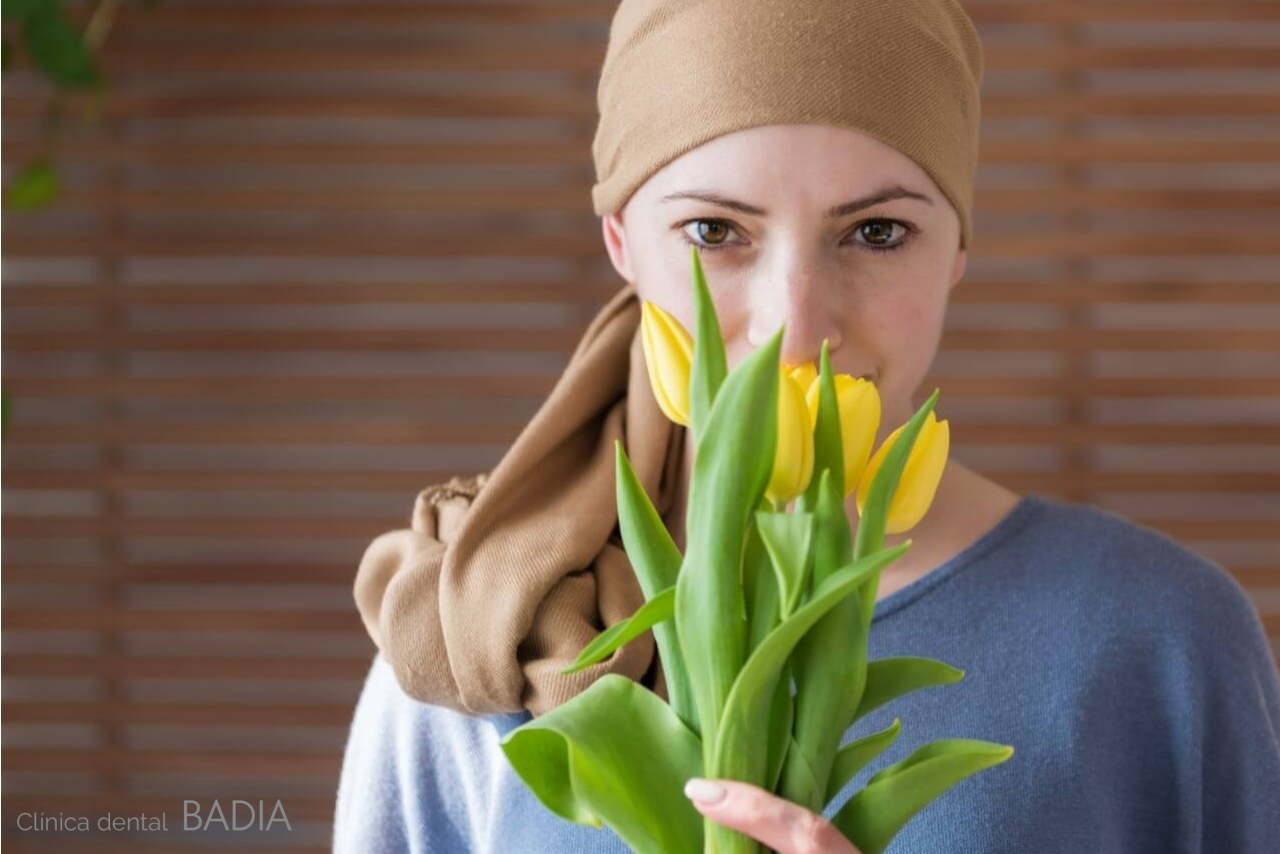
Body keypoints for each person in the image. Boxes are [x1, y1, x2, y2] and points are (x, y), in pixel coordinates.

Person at [333, 1, 1280, 852]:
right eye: (714, 231)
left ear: (958, 249)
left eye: (876, 233)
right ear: (621, 241)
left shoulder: (1161, 640)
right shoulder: (477, 636)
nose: (797, 326)